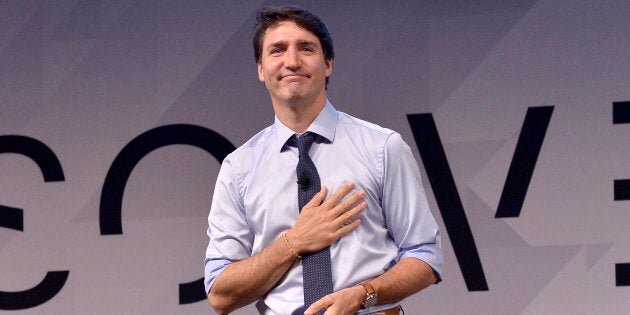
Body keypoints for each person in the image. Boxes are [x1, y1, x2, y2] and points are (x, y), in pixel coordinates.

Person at [204, 5, 442, 315]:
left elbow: (425, 256)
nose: (292, 61)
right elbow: (220, 295)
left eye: (306, 48)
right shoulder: (239, 168)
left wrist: (362, 294)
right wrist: (293, 242)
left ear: (327, 63)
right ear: (261, 69)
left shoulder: (382, 148)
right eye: (277, 50)